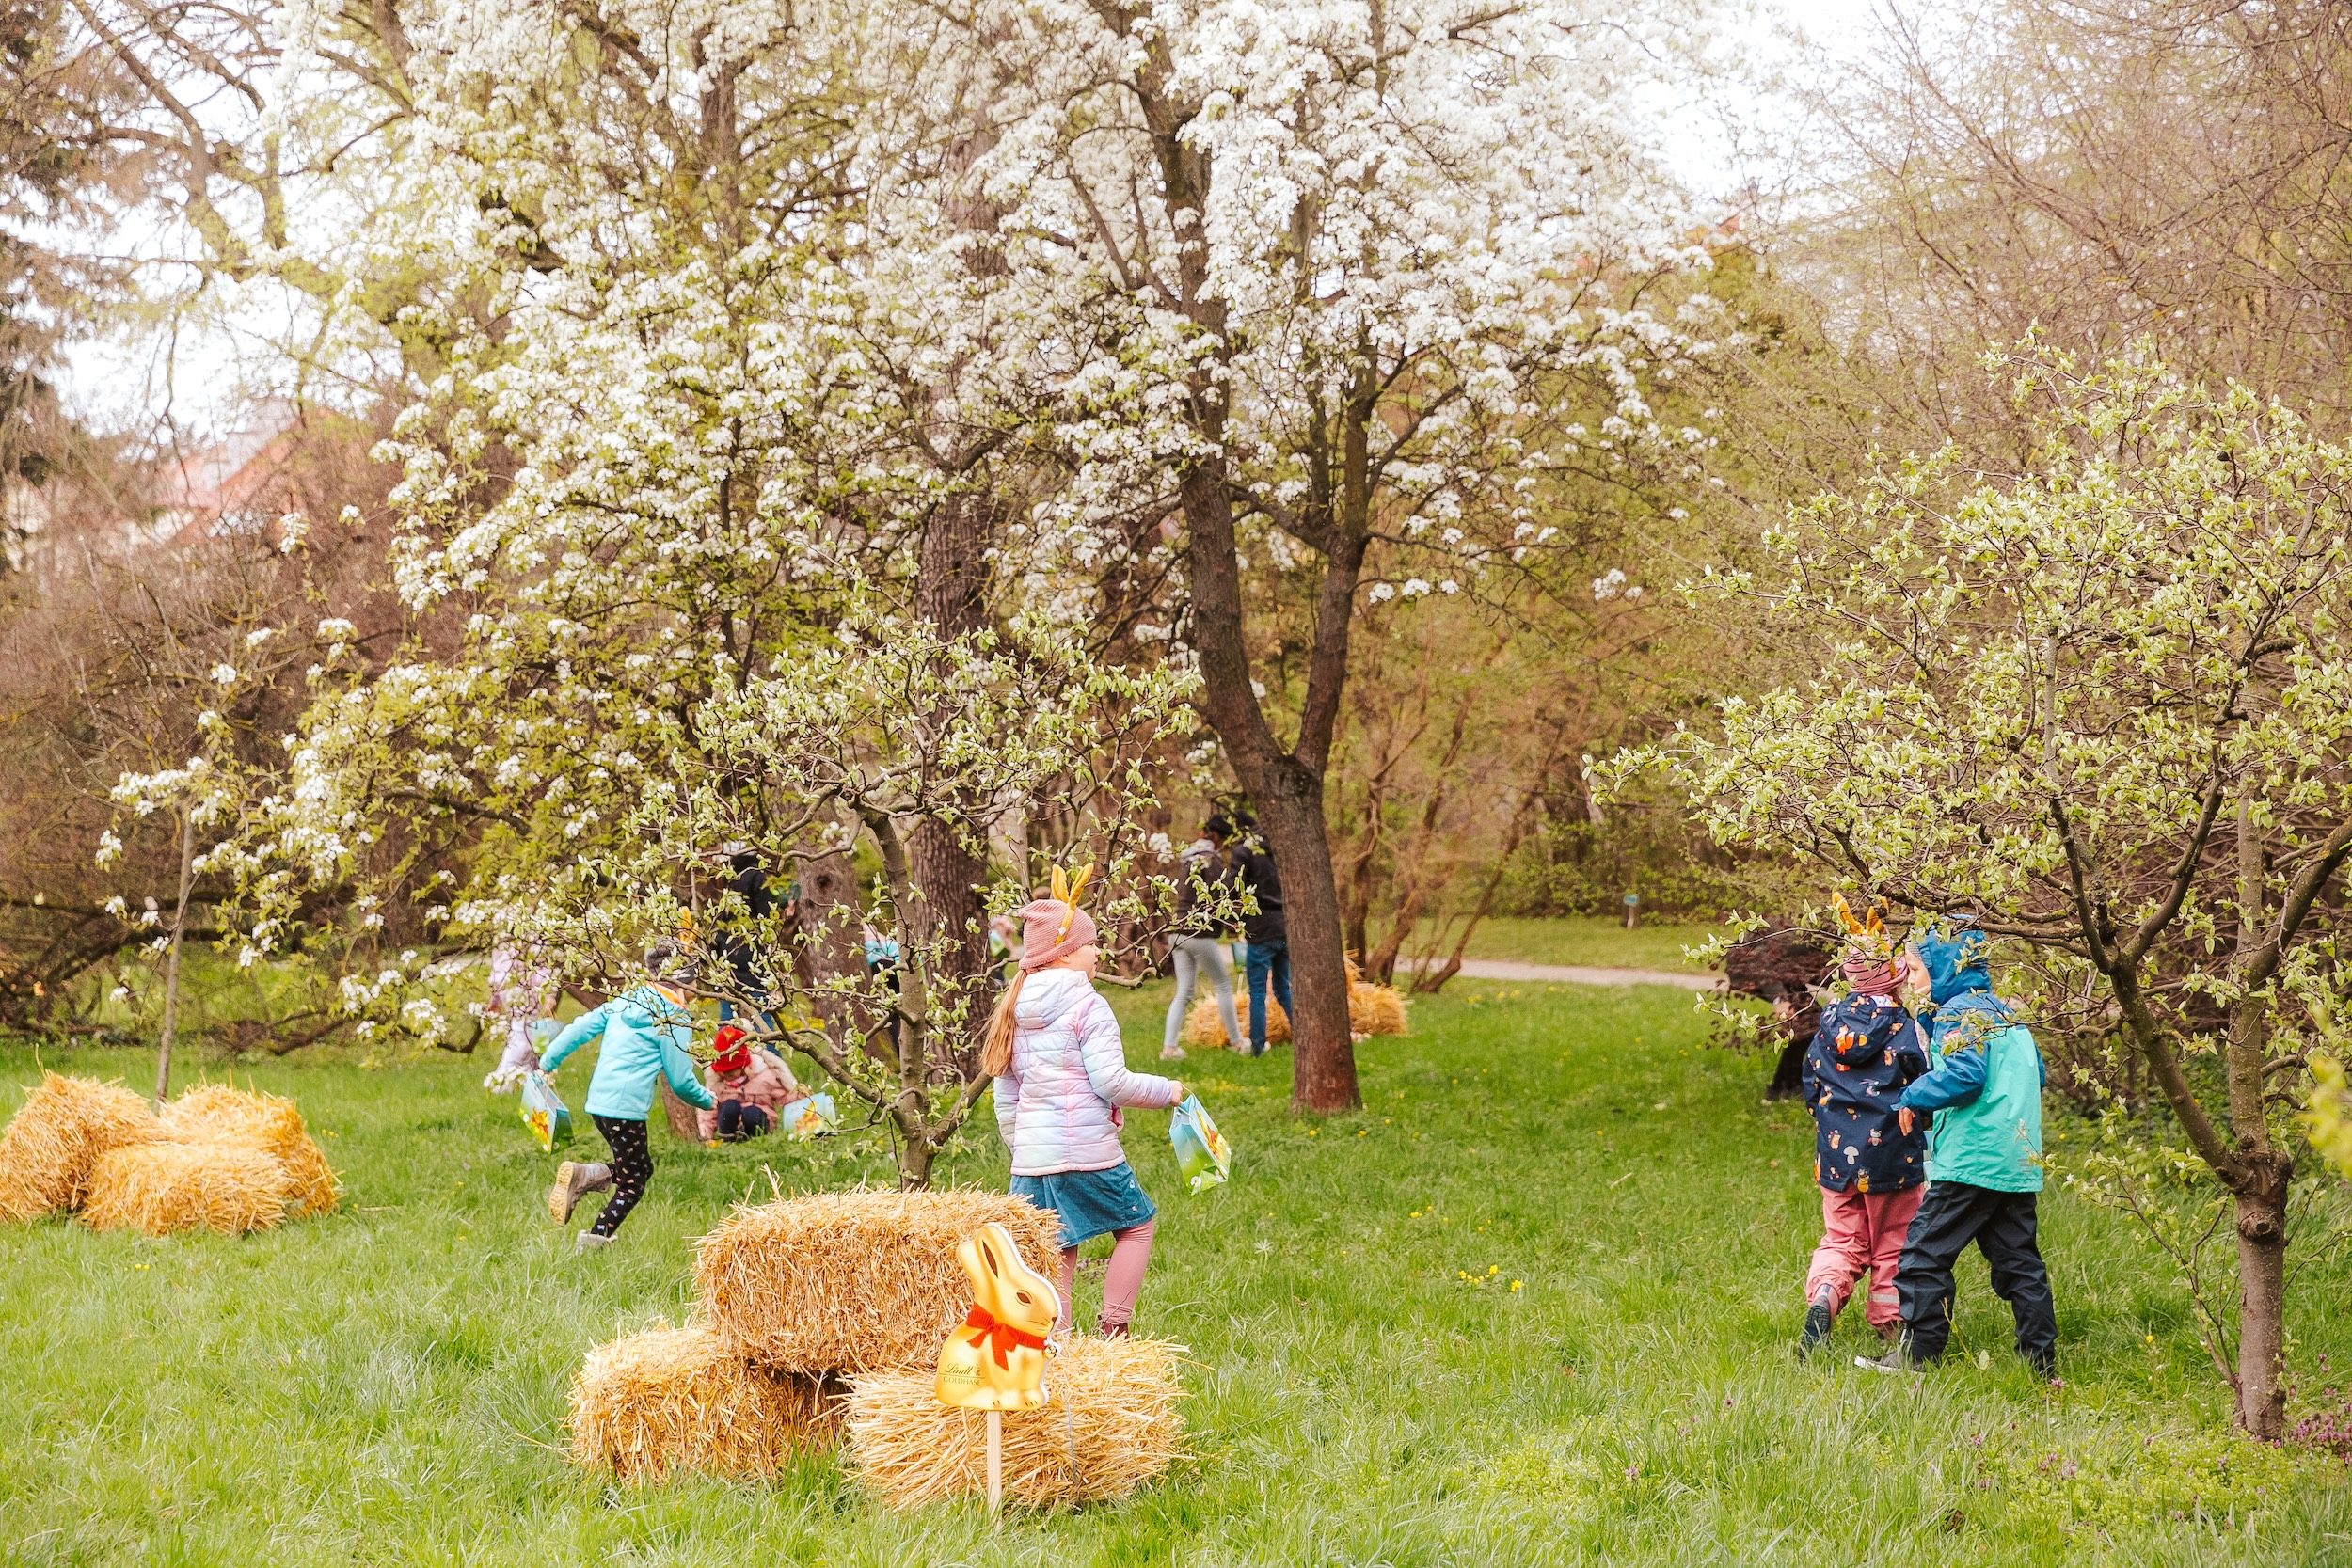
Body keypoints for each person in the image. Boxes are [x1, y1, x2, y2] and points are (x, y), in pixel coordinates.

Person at [984, 875, 1184, 1338]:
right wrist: (1168, 1090)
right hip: (1086, 1153)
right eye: (1092, 944)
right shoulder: (1088, 1006)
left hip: (1032, 1162)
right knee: (1137, 1225)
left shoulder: (1012, 1007)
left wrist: (1026, 1151)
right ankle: (1115, 1329)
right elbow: (1111, 1081)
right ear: (1065, 953)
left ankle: (1059, 1345)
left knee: (1058, 1247)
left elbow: (1005, 1096)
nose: (1098, 953)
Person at [1860, 923, 2058, 1376]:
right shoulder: (2007, 1015)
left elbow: (1966, 1075)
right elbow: (2038, 1076)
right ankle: (2040, 1360)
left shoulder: (1960, 1013)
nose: (1909, 980)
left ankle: (1918, 1355)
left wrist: (1913, 1096)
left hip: (1970, 1161)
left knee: (1921, 1256)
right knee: (2019, 1262)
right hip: (2016, 1160)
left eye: (1914, 970)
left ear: (1945, 968)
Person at [1797, 917, 1931, 1354]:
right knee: (1894, 1238)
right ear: (1894, 978)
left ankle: (1825, 1295)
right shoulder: (1906, 1028)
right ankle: (1890, 1324)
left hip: (1835, 1158)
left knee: (1842, 1238)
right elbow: (1923, 1085)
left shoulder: (1828, 1022)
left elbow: (1811, 1080)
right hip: (1892, 1156)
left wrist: (1826, 1119)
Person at [540, 943, 716, 1252]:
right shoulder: (672, 1016)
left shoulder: (626, 1000)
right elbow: (680, 1080)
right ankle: (591, 1247)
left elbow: (579, 1029)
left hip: (599, 1104)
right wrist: (708, 1101)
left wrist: (547, 1062)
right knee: (634, 1182)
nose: (696, 988)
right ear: (683, 979)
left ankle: (590, 1174)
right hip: (626, 1110)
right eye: (694, 980)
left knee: (639, 1167)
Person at [1161, 818, 1243, 1060]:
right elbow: (1217, 897)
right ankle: (1237, 1043)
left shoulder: (1188, 857)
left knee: (1184, 991)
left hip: (1177, 931)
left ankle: (1169, 1048)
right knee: (1224, 985)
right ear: (1217, 836)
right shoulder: (1211, 859)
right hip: (1198, 932)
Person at [1230, 814, 1288, 1057]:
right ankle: (1304, 1034)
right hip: (1284, 924)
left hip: (1260, 926)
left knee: (1257, 991)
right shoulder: (1281, 847)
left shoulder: (1245, 852)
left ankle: (1257, 1045)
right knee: (1284, 988)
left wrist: (1238, 916)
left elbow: (1232, 887)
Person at [694, 1023, 805, 1142]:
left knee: (751, 1113)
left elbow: (784, 1097)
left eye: (730, 1072)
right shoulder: (716, 1083)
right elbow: (708, 1111)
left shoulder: (764, 1077)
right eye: (722, 1072)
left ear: (743, 1065)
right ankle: (728, 1139)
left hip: (758, 1121)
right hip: (730, 1125)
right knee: (729, 1107)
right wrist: (705, 1135)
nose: (725, 1075)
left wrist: (801, 1098)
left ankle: (756, 1140)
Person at [481, 938, 558, 1092]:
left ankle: (526, 1084)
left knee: (526, 1039)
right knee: (522, 1040)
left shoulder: (534, 929)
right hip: (515, 989)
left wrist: (549, 993)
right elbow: (499, 963)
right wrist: (495, 996)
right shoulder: (504, 928)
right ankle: (502, 1084)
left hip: (528, 989)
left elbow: (543, 963)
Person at [714, 843, 777, 1028]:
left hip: (728, 950)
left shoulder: (731, 878)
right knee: (760, 1009)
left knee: (729, 1009)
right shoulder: (757, 877)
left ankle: (725, 1051)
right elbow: (766, 915)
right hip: (750, 952)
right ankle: (770, 1051)